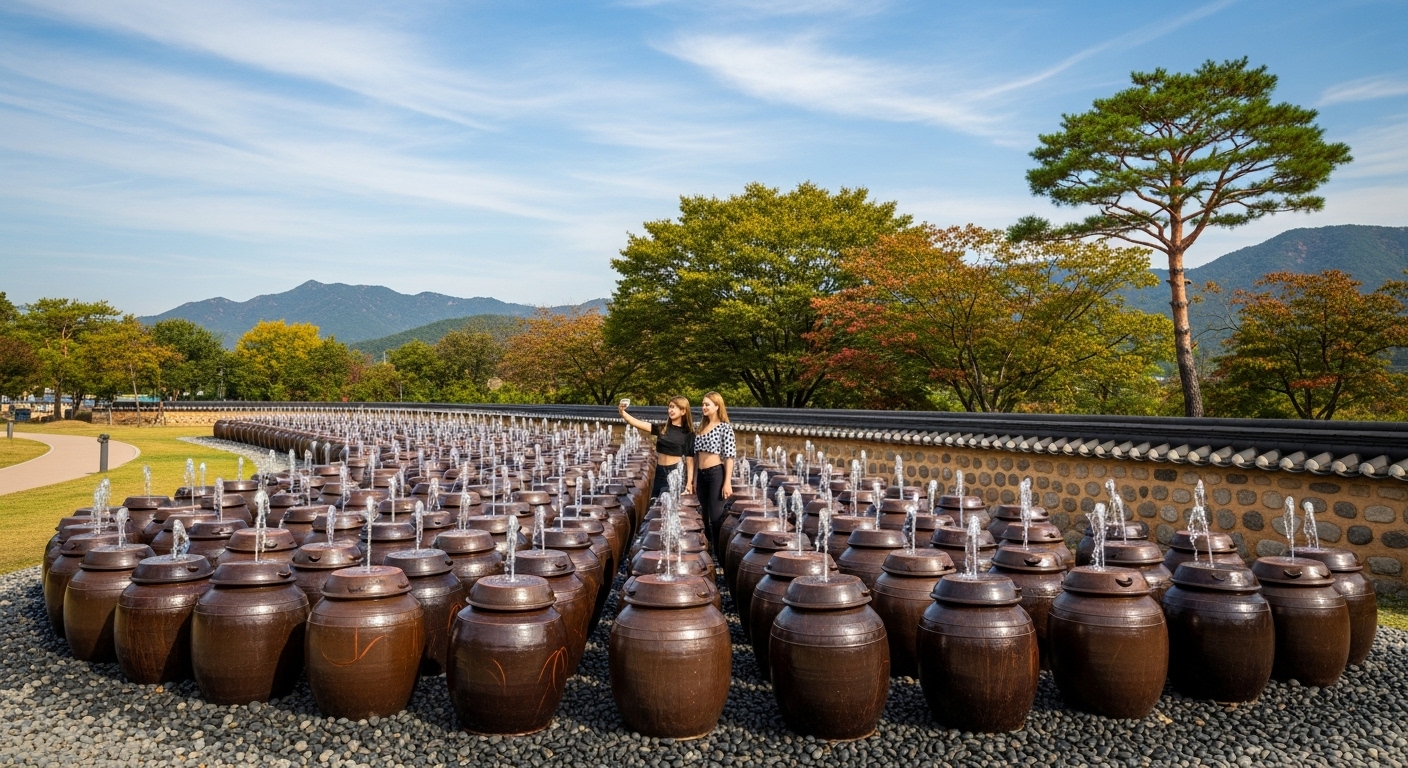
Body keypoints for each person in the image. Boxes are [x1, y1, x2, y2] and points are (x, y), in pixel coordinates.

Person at [619, 396, 695, 500]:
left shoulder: (688, 434)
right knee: (654, 503)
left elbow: (689, 459)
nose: (670, 410)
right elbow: (639, 424)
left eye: (674, 407)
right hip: (659, 471)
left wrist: (689, 483)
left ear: (683, 411)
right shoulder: (662, 428)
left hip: (674, 472)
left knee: (667, 505)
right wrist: (622, 413)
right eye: (670, 407)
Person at [693, 391, 736, 546]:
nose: (703, 407)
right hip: (701, 475)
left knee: (716, 516)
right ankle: (706, 550)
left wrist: (727, 482)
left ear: (717, 406)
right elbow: (696, 456)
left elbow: (729, 456)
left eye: (707, 404)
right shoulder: (700, 427)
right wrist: (693, 479)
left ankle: (719, 552)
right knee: (703, 514)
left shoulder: (724, 428)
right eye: (703, 404)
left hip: (715, 474)